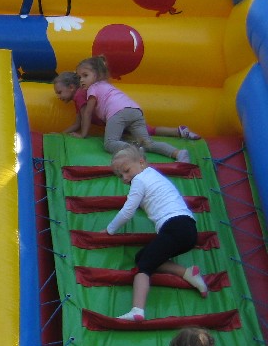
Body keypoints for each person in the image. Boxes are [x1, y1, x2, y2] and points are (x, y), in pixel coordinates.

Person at [107, 145, 208, 321]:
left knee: (144, 267)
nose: (125, 178)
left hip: (174, 227)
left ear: (141, 162)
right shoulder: (154, 175)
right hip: (188, 230)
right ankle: (187, 273)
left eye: (126, 171)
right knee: (142, 256)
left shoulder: (139, 180)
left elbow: (128, 211)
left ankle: (137, 310)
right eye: (120, 176)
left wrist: (109, 230)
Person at [75, 57, 190, 163]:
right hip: (135, 111)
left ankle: (135, 150)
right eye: (79, 77)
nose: (81, 80)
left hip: (117, 112)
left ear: (97, 75)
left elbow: (88, 113)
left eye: (85, 75)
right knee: (148, 143)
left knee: (110, 143)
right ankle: (178, 153)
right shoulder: (107, 86)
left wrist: (83, 134)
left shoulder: (93, 88)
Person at [54, 71, 201, 141]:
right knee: (148, 130)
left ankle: (179, 133)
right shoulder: (81, 96)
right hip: (120, 115)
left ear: (71, 87)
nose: (59, 96)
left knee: (128, 138)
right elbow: (78, 122)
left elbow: (84, 118)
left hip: (116, 116)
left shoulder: (80, 95)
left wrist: (82, 135)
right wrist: (61, 134)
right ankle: (180, 131)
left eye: (60, 92)